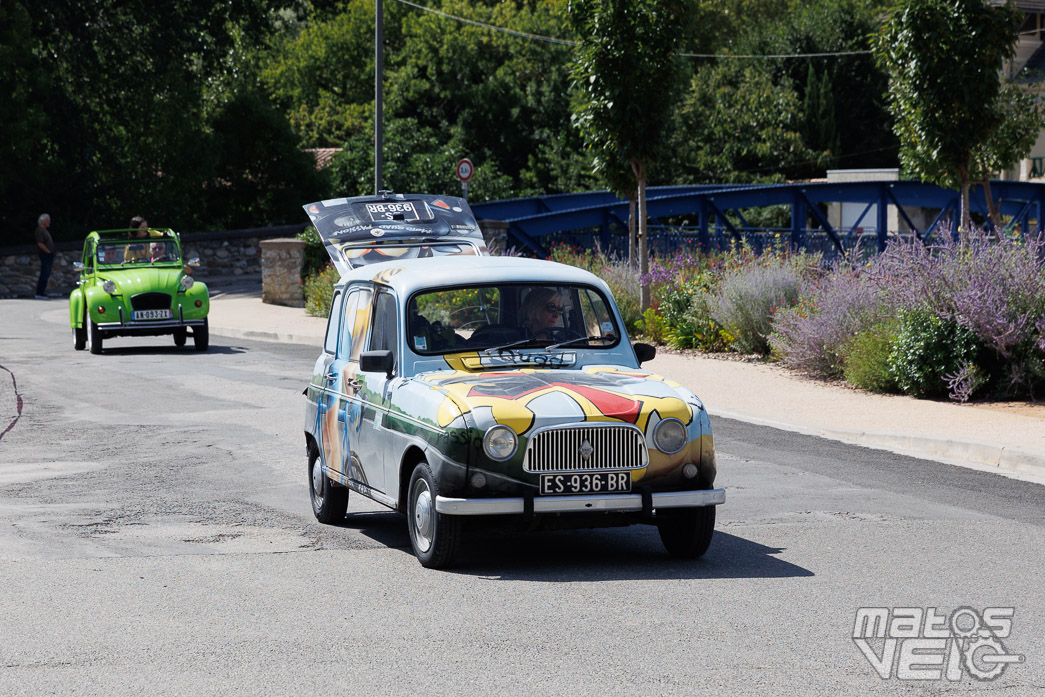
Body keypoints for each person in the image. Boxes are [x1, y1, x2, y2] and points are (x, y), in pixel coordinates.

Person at [34, 213, 55, 299]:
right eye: (47, 220)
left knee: (46, 273)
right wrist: (48, 252)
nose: (49, 221)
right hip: (45, 255)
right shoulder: (39, 230)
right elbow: (40, 243)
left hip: (48, 255)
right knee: (44, 273)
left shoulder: (45, 230)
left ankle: (42, 292)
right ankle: (39, 293)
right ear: (42, 221)